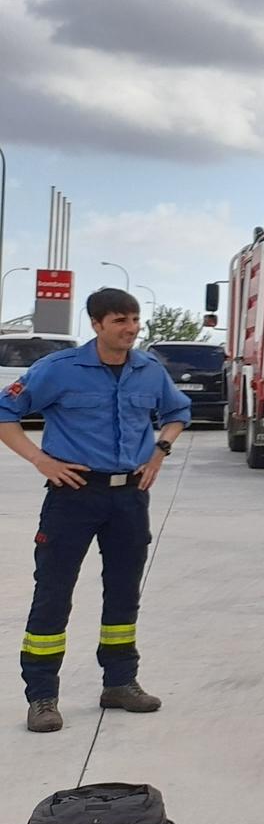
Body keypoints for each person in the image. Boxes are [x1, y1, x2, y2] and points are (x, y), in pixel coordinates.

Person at [0, 287, 189, 733]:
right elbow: (5, 410)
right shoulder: (58, 370)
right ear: (97, 324)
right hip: (74, 495)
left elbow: (178, 411)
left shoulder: (148, 371)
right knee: (53, 593)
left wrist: (160, 450)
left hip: (129, 497)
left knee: (124, 591)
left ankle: (120, 683)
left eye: (135, 319)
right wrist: (40, 459)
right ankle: (43, 696)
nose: (131, 329)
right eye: (120, 320)